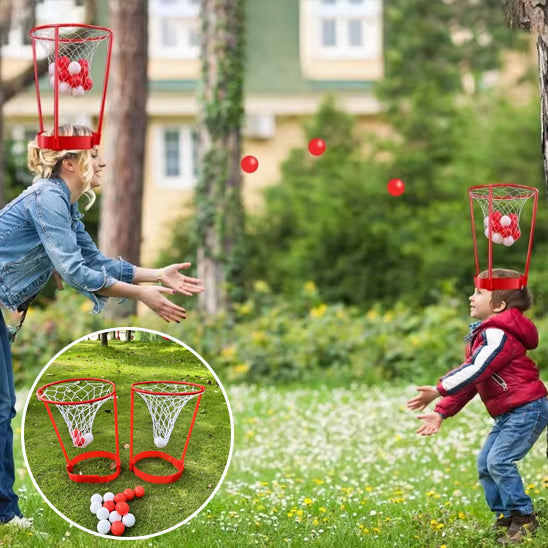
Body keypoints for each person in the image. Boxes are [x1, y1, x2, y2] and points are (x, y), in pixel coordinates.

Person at [0, 124, 204, 527]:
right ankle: (5, 512)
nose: (102, 161)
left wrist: (157, 276)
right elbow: (74, 271)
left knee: (2, 408)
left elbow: (96, 262)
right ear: (71, 162)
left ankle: (4, 512)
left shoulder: (64, 202)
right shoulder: (48, 199)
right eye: (93, 154)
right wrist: (139, 295)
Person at [407, 268, 548, 545]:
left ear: (499, 305)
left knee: (499, 461)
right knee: (486, 463)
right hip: (511, 412)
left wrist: (438, 389)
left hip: (527, 408)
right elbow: (474, 381)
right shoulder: (487, 333)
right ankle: (506, 516)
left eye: (479, 292)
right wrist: (441, 412)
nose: (471, 297)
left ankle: (524, 518)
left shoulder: (499, 335)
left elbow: (475, 369)